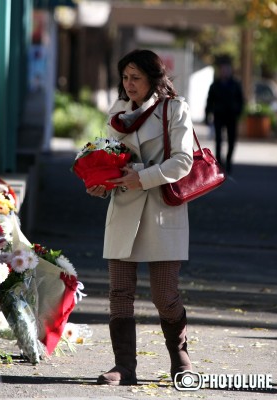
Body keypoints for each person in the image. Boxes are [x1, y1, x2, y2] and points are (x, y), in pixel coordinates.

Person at [86, 49, 194, 385]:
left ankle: (181, 358)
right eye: (125, 77)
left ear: (153, 78)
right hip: (123, 207)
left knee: (165, 295)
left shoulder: (174, 109)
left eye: (136, 77)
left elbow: (183, 162)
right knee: (119, 292)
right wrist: (100, 184)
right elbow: (107, 156)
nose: (129, 84)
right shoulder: (118, 111)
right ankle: (124, 367)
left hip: (162, 207)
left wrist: (141, 177)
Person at [205, 56, 244, 174]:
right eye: (222, 69)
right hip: (219, 115)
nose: (224, 72)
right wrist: (207, 115)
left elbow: (241, 100)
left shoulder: (235, 84)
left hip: (231, 116)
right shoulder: (215, 85)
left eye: (227, 69)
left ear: (230, 70)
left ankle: (228, 161)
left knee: (232, 140)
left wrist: (238, 111)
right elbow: (209, 101)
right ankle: (219, 163)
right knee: (218, 140)